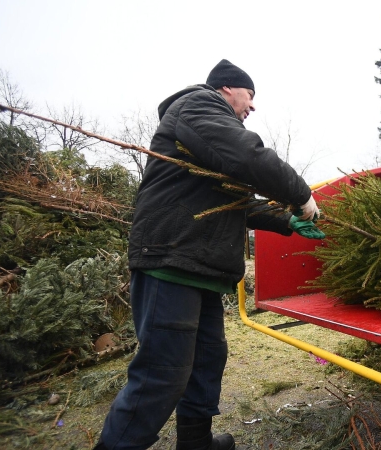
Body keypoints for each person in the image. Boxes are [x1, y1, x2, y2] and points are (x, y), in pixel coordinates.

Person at [95, 60, 324, 450]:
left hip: (199, 267)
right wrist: (301, 195)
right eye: (250, 95)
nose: (253, 106)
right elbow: (248, 156)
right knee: (162, 373)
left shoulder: (207, 136)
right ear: (227, 88)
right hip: (171, 261)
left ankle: (196, 443)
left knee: (206, 362)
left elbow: (230, 202)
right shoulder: (198, 105)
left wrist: (286, 219)